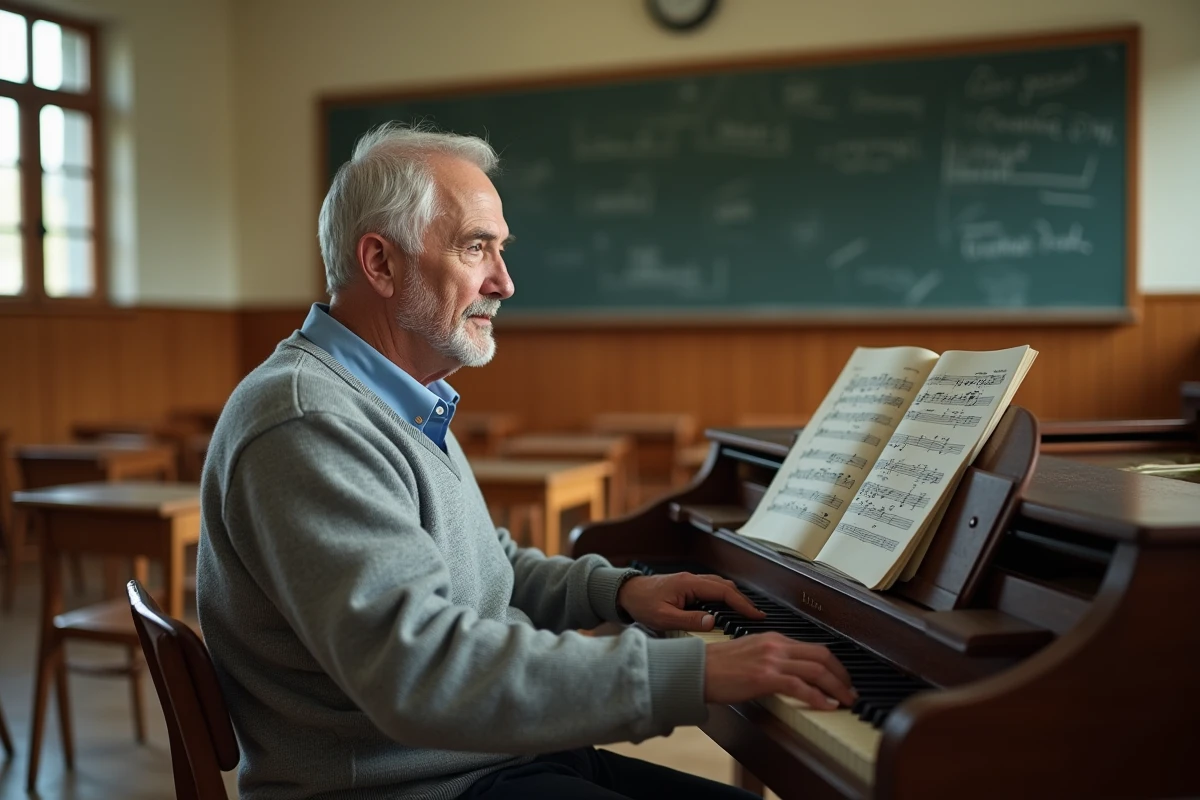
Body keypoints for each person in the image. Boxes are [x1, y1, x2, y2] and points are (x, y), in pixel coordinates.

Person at [196, 122, 854, 800]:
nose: (505, 282)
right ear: (380, 263)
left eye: (500, 249)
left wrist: (618, 592)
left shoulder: (397, 396)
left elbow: (482, 566)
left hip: (488, 762)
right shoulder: (309, 422)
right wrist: (692, 674)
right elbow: (420, 670)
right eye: (476, 248)